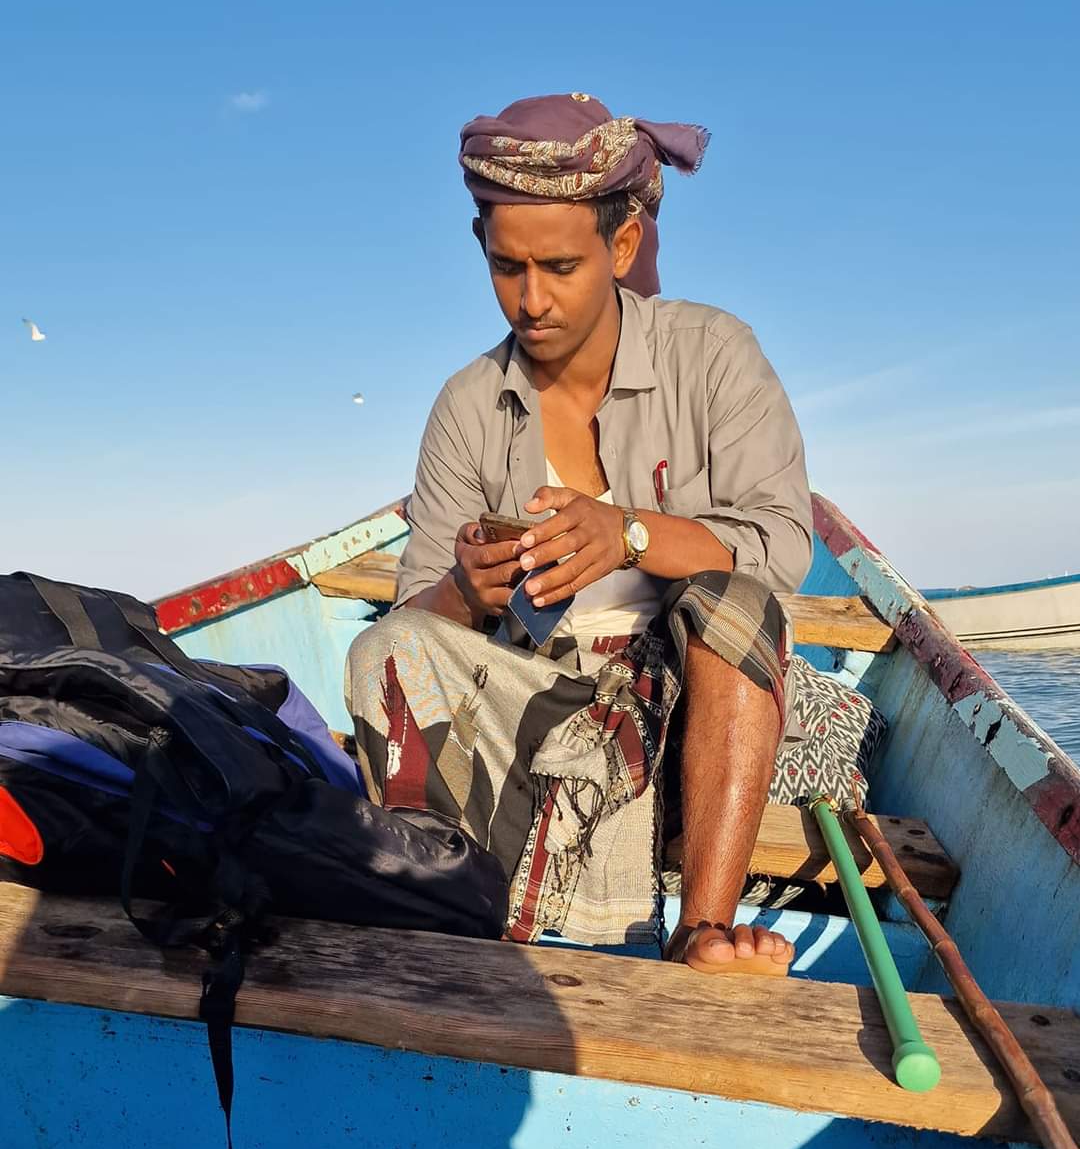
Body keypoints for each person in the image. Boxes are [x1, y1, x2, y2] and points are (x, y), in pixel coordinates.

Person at [346, 94, 866, 971]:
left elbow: (781, 544)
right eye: (507, 266)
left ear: (621, 248)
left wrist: (629, 534)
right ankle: (445, 904)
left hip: (689, 719)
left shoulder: (715, 355)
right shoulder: (467, 406)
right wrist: (465, 593)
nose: (531, 299)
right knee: (383, 651)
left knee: (734, 605)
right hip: (536, 703)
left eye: (558, 266)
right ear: (482, 247)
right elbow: (417, 620)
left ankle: (701, 927)